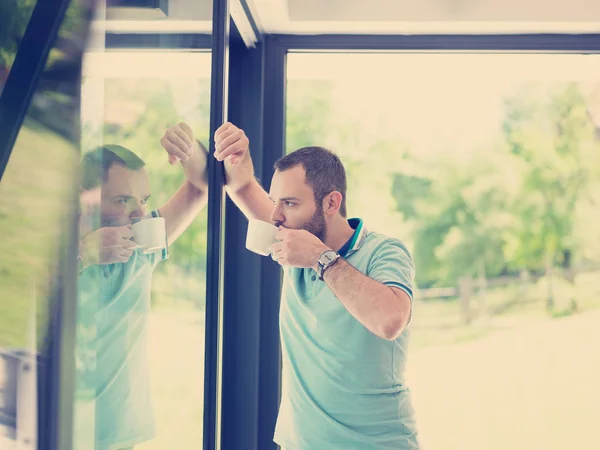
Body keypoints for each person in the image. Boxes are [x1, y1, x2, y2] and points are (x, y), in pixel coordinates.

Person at [206, 122, 420, 449]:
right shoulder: (292, 240)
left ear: (331, 203)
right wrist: (238, 153)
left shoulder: (383, 251)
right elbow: (241, 186)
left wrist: (322, 259)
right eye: (275, 201)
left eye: (289, 203)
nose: (275, 215)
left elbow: (390, 320)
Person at [76, 123, 208, 450]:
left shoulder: (142, 247)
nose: (138, 213)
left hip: (120, 435)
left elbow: (200, 187)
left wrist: (191, 150)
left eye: (144, 199)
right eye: (123, 200)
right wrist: (81, 255)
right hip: (58, 428)